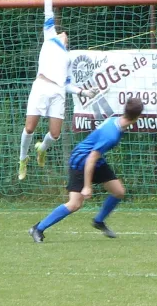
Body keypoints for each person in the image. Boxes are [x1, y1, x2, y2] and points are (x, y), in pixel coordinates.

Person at [18, 0, 99, 180]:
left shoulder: (68, 57)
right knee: (29, 127)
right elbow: (48, 12)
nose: (64, 33)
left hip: (58, 91)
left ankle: (41, 149)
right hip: (42, 86)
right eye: (62, 32)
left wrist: (85, 92)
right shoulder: (50, 37)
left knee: (55, 134)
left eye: (66, 34)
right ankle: (23, 159)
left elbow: (68, 84)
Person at [29, 98, 144, 243]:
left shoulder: (116, 121)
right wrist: (87, 186)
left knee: (119, 192)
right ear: (138, 117)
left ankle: (98, 221)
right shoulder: (112, 134)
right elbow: (91, 158)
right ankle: (38, 228)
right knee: (75, 204)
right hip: (81, 161)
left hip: (95, 160)